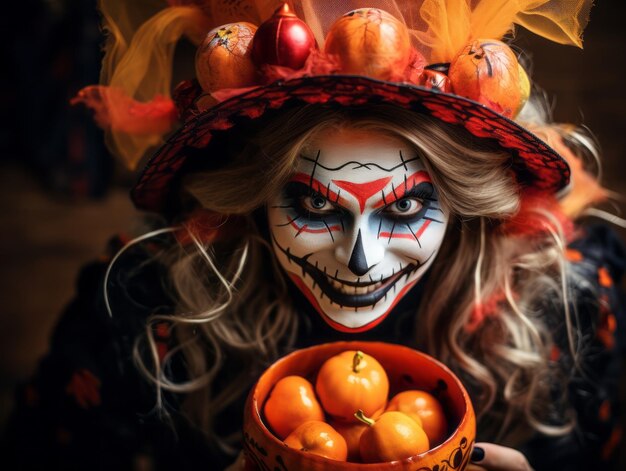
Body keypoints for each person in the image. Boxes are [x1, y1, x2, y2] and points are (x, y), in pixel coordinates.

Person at [3, 1, 624, 470]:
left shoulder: (566, 307)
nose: (360, 259)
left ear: (465, 205)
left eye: (405, 208)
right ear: (250, 197)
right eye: (311, 203)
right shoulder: (144, 309)